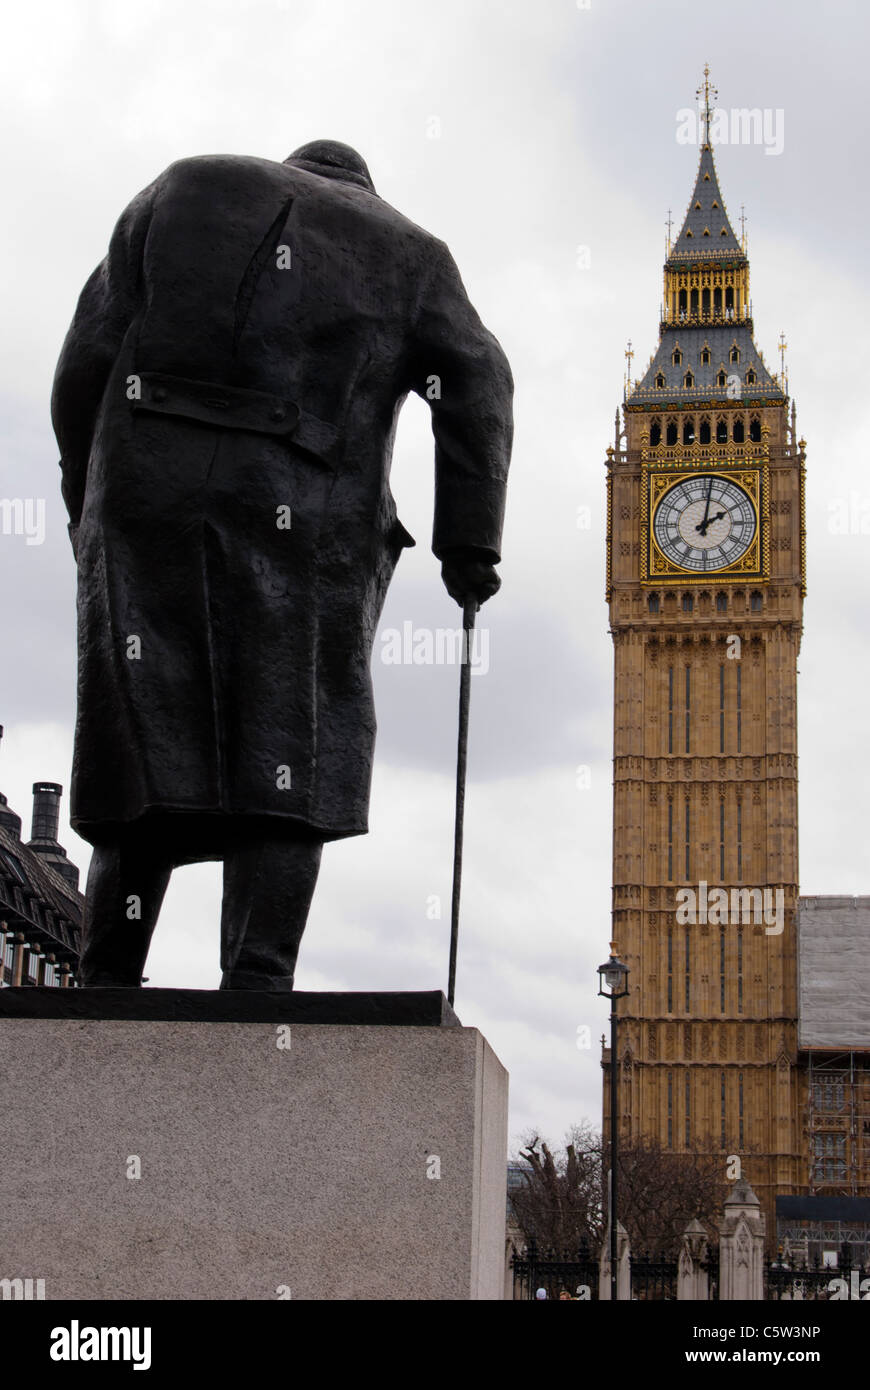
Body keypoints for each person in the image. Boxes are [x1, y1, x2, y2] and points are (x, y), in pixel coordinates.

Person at [52, 140, 513, 989]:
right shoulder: (413, 252)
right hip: (305, 506)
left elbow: (83, 361)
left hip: (142, 487)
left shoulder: (183, 183)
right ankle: (258, 979)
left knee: (141, 734)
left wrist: (88, 496)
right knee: (293, 732)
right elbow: (479, 376)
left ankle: (106, 971)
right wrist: (468, 545)